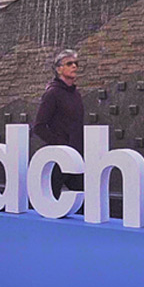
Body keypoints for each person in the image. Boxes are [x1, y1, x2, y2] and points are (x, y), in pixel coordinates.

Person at [33, 49, 85, 197]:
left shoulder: (76, 94)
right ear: (59, 69)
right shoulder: (53, 93)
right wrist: (61, 144)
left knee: (82, 198)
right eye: (69, 63)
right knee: (52, 198)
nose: (74, 66)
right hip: (59, 158)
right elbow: (39, 127)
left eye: (76, 63)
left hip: (76, 157)